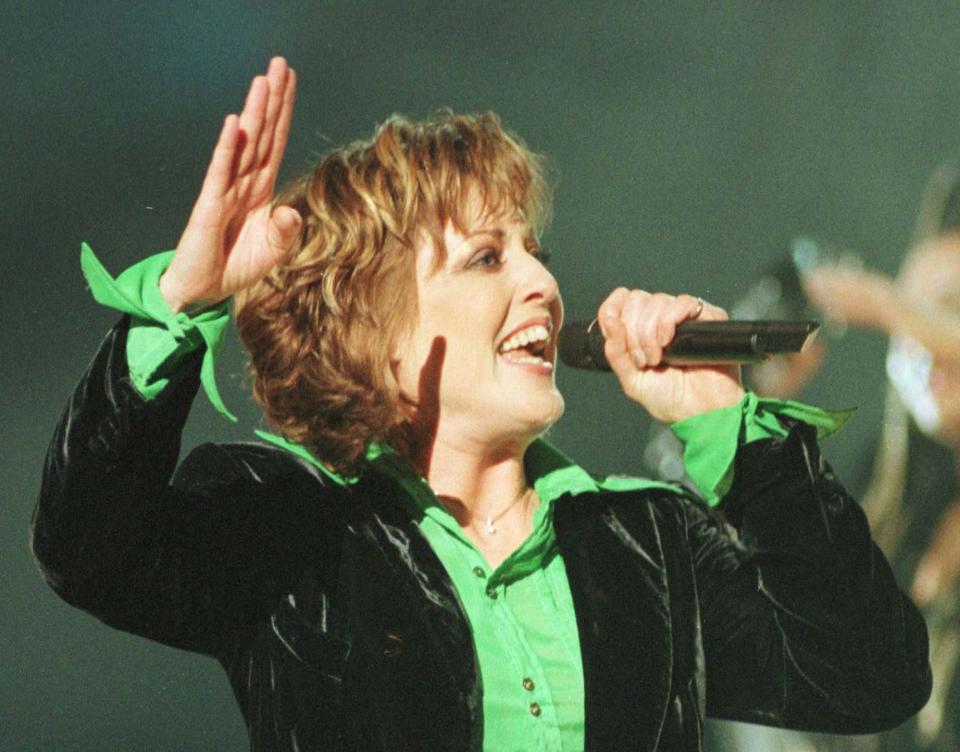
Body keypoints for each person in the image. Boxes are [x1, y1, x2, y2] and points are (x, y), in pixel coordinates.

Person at [32, 57, 931, 752]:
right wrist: (182, 308)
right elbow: (87, 547)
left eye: (535, 252)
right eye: (488, 258)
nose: (544, 283)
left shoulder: (645, 543)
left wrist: (726, 428)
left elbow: (872, 678)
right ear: (375, 333)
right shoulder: (293, 527)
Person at [802, 160, 960, 752]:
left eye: (946, 309)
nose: (917, 337)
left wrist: (884, 301)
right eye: (910, 310)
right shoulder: (883, 497)